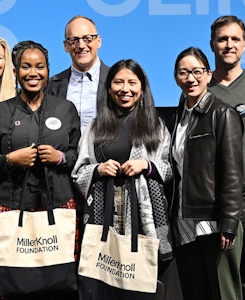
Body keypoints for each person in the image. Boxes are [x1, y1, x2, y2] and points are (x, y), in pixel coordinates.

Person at [0, 40, 80, 299]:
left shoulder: (65, 109)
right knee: (14, 284)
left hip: (59, 204)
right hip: (11, 206)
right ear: (15, 72)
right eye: (25, 67)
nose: (33, 73)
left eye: (40, 67)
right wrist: (10, 160)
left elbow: (77, 156)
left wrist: (60, 157)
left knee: (58, 284)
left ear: (48, 71)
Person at [72, 59, 173, 296]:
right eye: (118, 82)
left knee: (138, 281)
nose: (125, 89)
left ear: (142, 88)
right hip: (104, 210)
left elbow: (170, 170)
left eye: (132, 83)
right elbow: (78, 173)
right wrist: (98, 170)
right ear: (108, 88)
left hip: (141, 212)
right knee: (104, 279)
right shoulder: (96, 127)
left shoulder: (155, 125)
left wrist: (146, 166)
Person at [170, 47, 243, 300]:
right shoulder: (179, 117)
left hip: (213, 222)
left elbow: (232, 173)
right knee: (195, 292)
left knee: (223, 293)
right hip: (184, 221)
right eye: (183, 72)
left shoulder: (223, 113)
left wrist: (230, 223)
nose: (190, 78)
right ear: (176, 77)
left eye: (197, 71)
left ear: (209, 74)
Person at [208, 15, 245, 300]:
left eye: (235, 39)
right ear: (212, 45)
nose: (228, 45)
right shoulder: (199, 90)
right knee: (218, 281)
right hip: (214, 202)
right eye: (222, 39)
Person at [47, 15, 110, 133]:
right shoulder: (50, 86)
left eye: (87, 39)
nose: (81, 45)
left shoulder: (116, 80)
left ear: (99, 41)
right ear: (66, 46)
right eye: (74, 40)